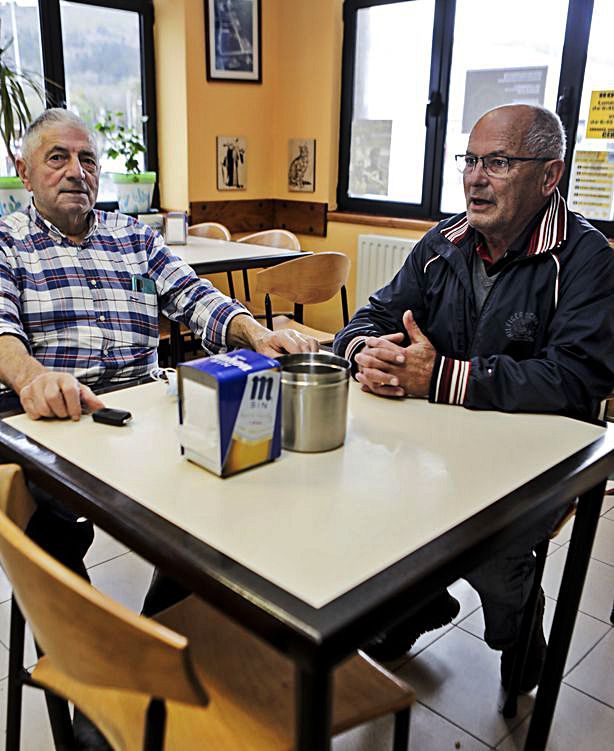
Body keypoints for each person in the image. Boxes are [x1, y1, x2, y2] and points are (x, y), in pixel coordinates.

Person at [333, 104, 614, 690]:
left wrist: (440, 378)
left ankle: (523, 642)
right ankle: (421, 603)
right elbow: (373, 314)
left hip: (527, 468)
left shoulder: (589, 260)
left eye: (499, 162)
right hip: (430, 447)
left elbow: (577, 381)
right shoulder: (444, 241)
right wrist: (363, 351)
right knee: (378, 517)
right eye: (470, 160)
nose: (474, 177)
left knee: (495, 562)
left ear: (549, 176)